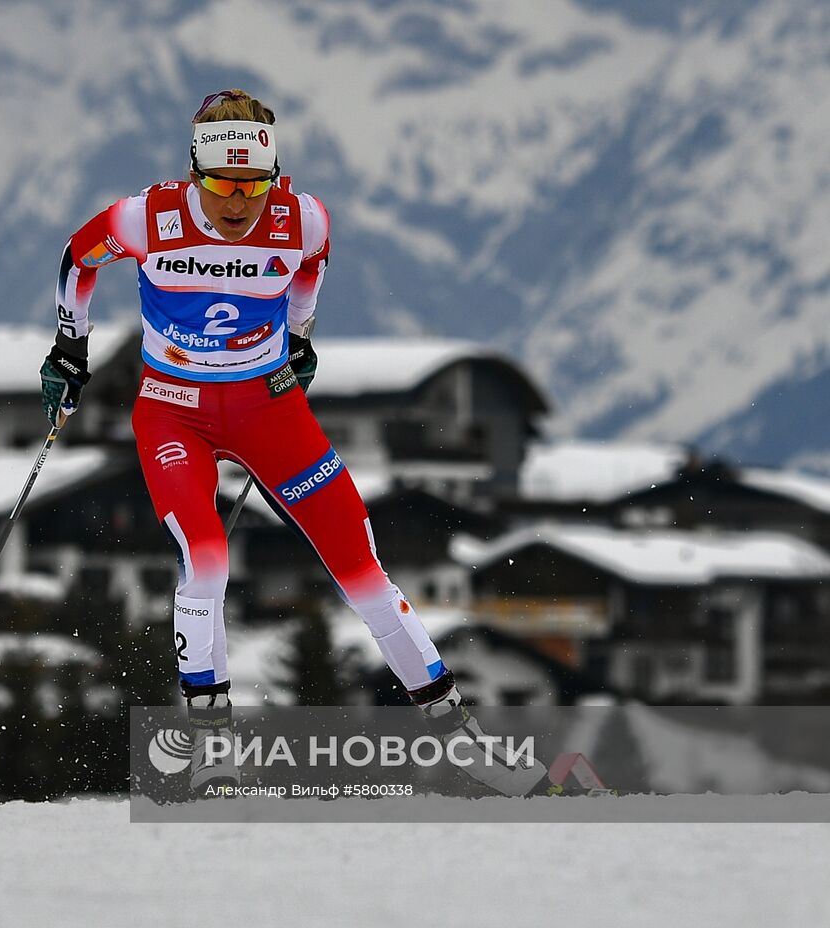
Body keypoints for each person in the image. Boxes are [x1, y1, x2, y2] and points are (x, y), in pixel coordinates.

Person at [40, 90, 543, 795]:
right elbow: (77, 258)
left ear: (276, 178)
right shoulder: (146, 218)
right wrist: (70, 347)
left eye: (255, 185)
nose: (238, 202)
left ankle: (460, 740)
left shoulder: (302, 220)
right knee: (207, 561)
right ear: (194, 173)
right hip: (174, 410)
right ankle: (212, 751)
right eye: (221, 184)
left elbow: (312, 269)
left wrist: (298, 340)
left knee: (361, 569)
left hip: (267, 409)